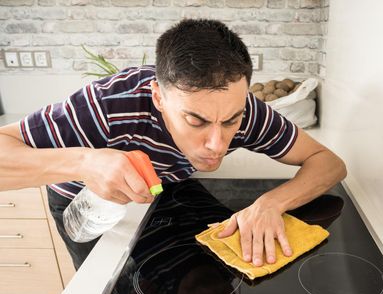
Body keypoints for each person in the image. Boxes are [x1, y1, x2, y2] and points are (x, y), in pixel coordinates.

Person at [0, 19, 346, 270]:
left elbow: (328, 162)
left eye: (230, 121)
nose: (216, 144)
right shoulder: (106, 106)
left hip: (162, 195)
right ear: (158, 98)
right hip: (88, 207)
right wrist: (84, 164)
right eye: (196, 121)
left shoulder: (245, 111)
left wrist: (271, 203)